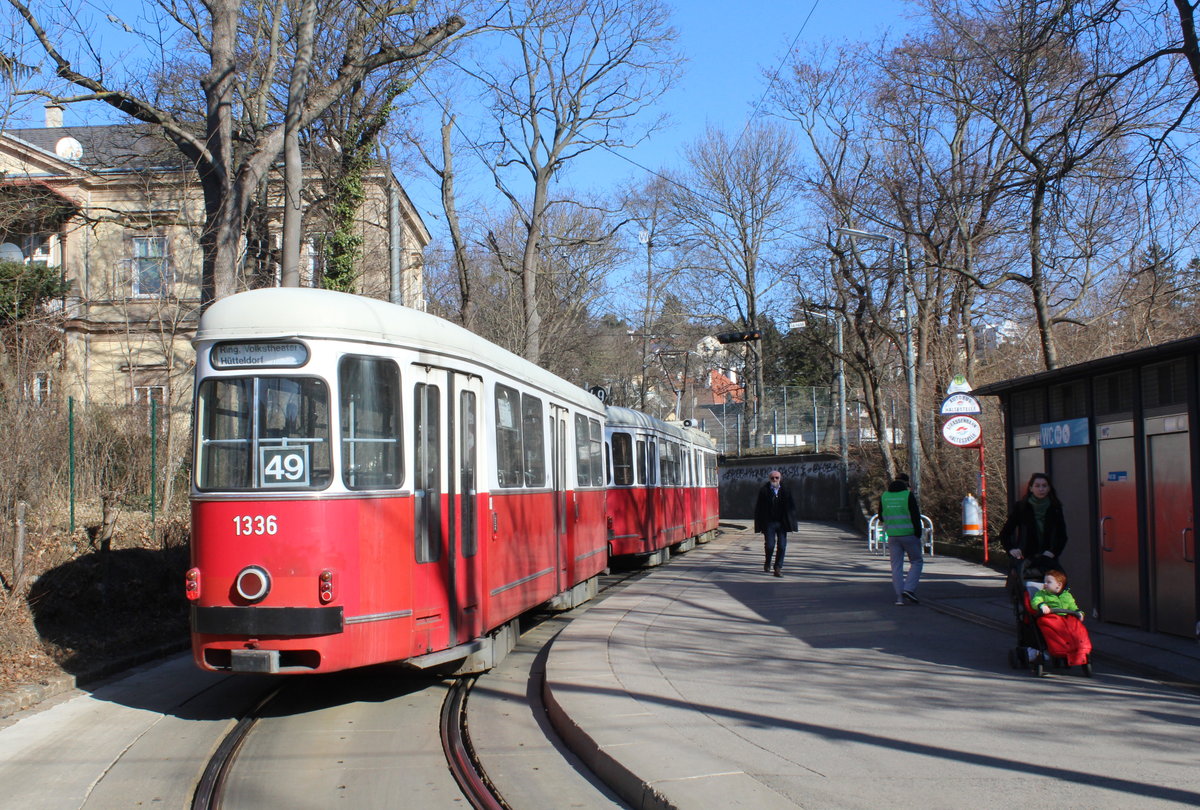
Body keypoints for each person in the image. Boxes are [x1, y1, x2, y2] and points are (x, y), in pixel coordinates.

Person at [998, 472, 1068, 579]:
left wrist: (1053, 552)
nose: (1041, 489)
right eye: (1037, 486)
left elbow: (1062, 536)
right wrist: (1011, 549)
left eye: (1044, 486)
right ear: (1031, 488)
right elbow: (1005, 533)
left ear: (1049, 488)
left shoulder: (1055, 508)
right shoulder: (1021, 507)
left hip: (1048, 560)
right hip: (1025, 560)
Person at [1028, 569, 1092, 667]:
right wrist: (1042, 605)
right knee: (1054, 630)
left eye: (1048, 582)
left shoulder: (1067, 595)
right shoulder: (1042, 594)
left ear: (1059, 584)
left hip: (1066, 618)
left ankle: (1081, 647)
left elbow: (1072, 606)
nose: (1045, 584)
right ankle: (1059, 649)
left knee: (1078, 630)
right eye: (1044, 581)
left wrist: (1079, 612)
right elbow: (1035, 601)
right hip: (1050, 617)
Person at [879, 473, 923, 605]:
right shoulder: (907, 495)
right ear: (906, 484)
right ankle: (909, 589)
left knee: (896, 567)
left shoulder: (884, 496)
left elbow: (881, 517)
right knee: (916, 561)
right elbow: (916, 516)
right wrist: (918, 533)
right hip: (909, 535)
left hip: (892, 536)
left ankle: (899, 598)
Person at [754, 470, 796, 577]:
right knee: (770, 545)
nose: (774, 480)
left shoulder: (786, 490)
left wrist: (792, 522)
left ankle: (778, 567)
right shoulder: (764, 490)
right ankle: (767, 561)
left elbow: (791, 507)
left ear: (780, 478)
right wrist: (759, 524)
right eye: (772, 478)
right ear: (769, 479)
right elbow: (759, 508)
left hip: (782, 522)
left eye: (777, 478)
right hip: (769, 523)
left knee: (782, 545)